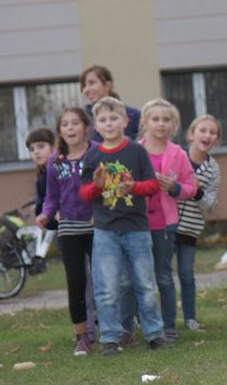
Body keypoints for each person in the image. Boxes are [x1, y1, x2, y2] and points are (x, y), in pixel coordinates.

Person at [80, 96, 173, 355]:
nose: (109, 124)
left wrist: (134, 187)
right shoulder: (93, 155)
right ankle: (110, 337)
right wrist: (97, 186)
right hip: (105, 230)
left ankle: (155, 334)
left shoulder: (136, 151)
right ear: (95, 126)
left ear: (125, 121)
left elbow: (153, 185)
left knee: (145, 283)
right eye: (103, 120)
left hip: (137, 229)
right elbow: (84, 194)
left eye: (114, 118)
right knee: (107, 286)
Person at [37, 107, 98, 355]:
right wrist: (46, 213)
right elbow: (52, 196)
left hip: (97, 226)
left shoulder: (97, 153)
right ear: (60, 131)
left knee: (105, 281)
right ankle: (82, 337)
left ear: (85, 127)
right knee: (76, 282)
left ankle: (114, 331)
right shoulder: (55, 160)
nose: (71, 128)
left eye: (75, 123)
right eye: (66, 124)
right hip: (69, 227)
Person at [138, 98, 197, 338]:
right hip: (136, 225)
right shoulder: (135, 150)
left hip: (164, 224)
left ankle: (169, 326)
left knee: (163, 276)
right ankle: (141, 324)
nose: (161, 124)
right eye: (155, 119)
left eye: (166, 120)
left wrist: (174, 187)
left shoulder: (178, 154)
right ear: (145, 122)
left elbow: (192, 186)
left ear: (173, 124)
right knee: (138, 279)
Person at [175, 115, 221, 331]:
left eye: (212, 133)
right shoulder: (175, 155)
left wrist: (198, 191)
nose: (207, 135)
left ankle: (190, 318)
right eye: (203, 130)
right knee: (160, 274)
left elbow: (211, 204)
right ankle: (154, 319)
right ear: (192, 134)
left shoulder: (213, 169)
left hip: (190, 228)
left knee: (186, 274)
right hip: (165, 224)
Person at [79, 65, 142, 141]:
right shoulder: (82, 119)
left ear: (107, 85)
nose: (87, 89)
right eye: (84, 86)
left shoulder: (133, 115)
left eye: (91, 83)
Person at [25, 128, 56, 274]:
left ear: (53, 146)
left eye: (41, 146)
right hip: (59, 227)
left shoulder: (59, 169)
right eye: (32, 149)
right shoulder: (42, 175)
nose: (36, 152)